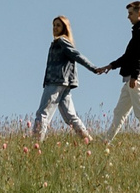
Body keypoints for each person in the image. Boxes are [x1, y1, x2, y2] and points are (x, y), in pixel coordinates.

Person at [31, 15, 99, 143]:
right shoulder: (58, 43)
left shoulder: (62, 41)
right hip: (63, 83)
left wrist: (93, 68)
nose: (55, 28)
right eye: (54, 25)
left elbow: (77, 55)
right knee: (70, 116)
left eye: (58, 25)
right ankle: (88, 140)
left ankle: (35, 144)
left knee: (42, 114)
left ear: (64, 28)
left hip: (56, 81)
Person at [101, 0, 140, 145]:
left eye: (131, 13)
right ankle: (106, 141)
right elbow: (128, 57)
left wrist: (135, 76)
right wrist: (110, 66)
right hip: (131, 78)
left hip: (136, 78)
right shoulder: (138, 31)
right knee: (119, 112)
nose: (128, 16)